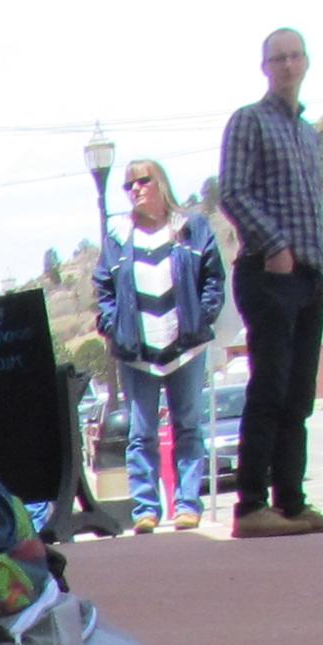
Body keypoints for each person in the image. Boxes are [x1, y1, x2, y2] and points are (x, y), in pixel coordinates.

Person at [216, 30, 323, 536]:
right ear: (264, 66)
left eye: (295, 56)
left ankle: (292, 503)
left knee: (299, 395)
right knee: (269, 387)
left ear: (307, 62)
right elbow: (232, 191)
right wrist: (275, 245)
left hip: (311, 274)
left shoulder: (308, 132)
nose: (288, 65)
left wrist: (313, 258)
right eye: (279, 58)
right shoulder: (249, 122)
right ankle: (251, 506)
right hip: (269, 274)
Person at [92, 160, 229, 529]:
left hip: (185, 345)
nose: (135, 189)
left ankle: (187, 504)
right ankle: (146, 509)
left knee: (187, 426)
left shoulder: (191, 228)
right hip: (138, 352)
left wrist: (202, 316)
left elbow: (213, 277)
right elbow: (103, 288)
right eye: (128, 185)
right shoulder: (119, 237)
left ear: (160, 183)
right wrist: (114, 327)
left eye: (143, 181)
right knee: (142, 433)